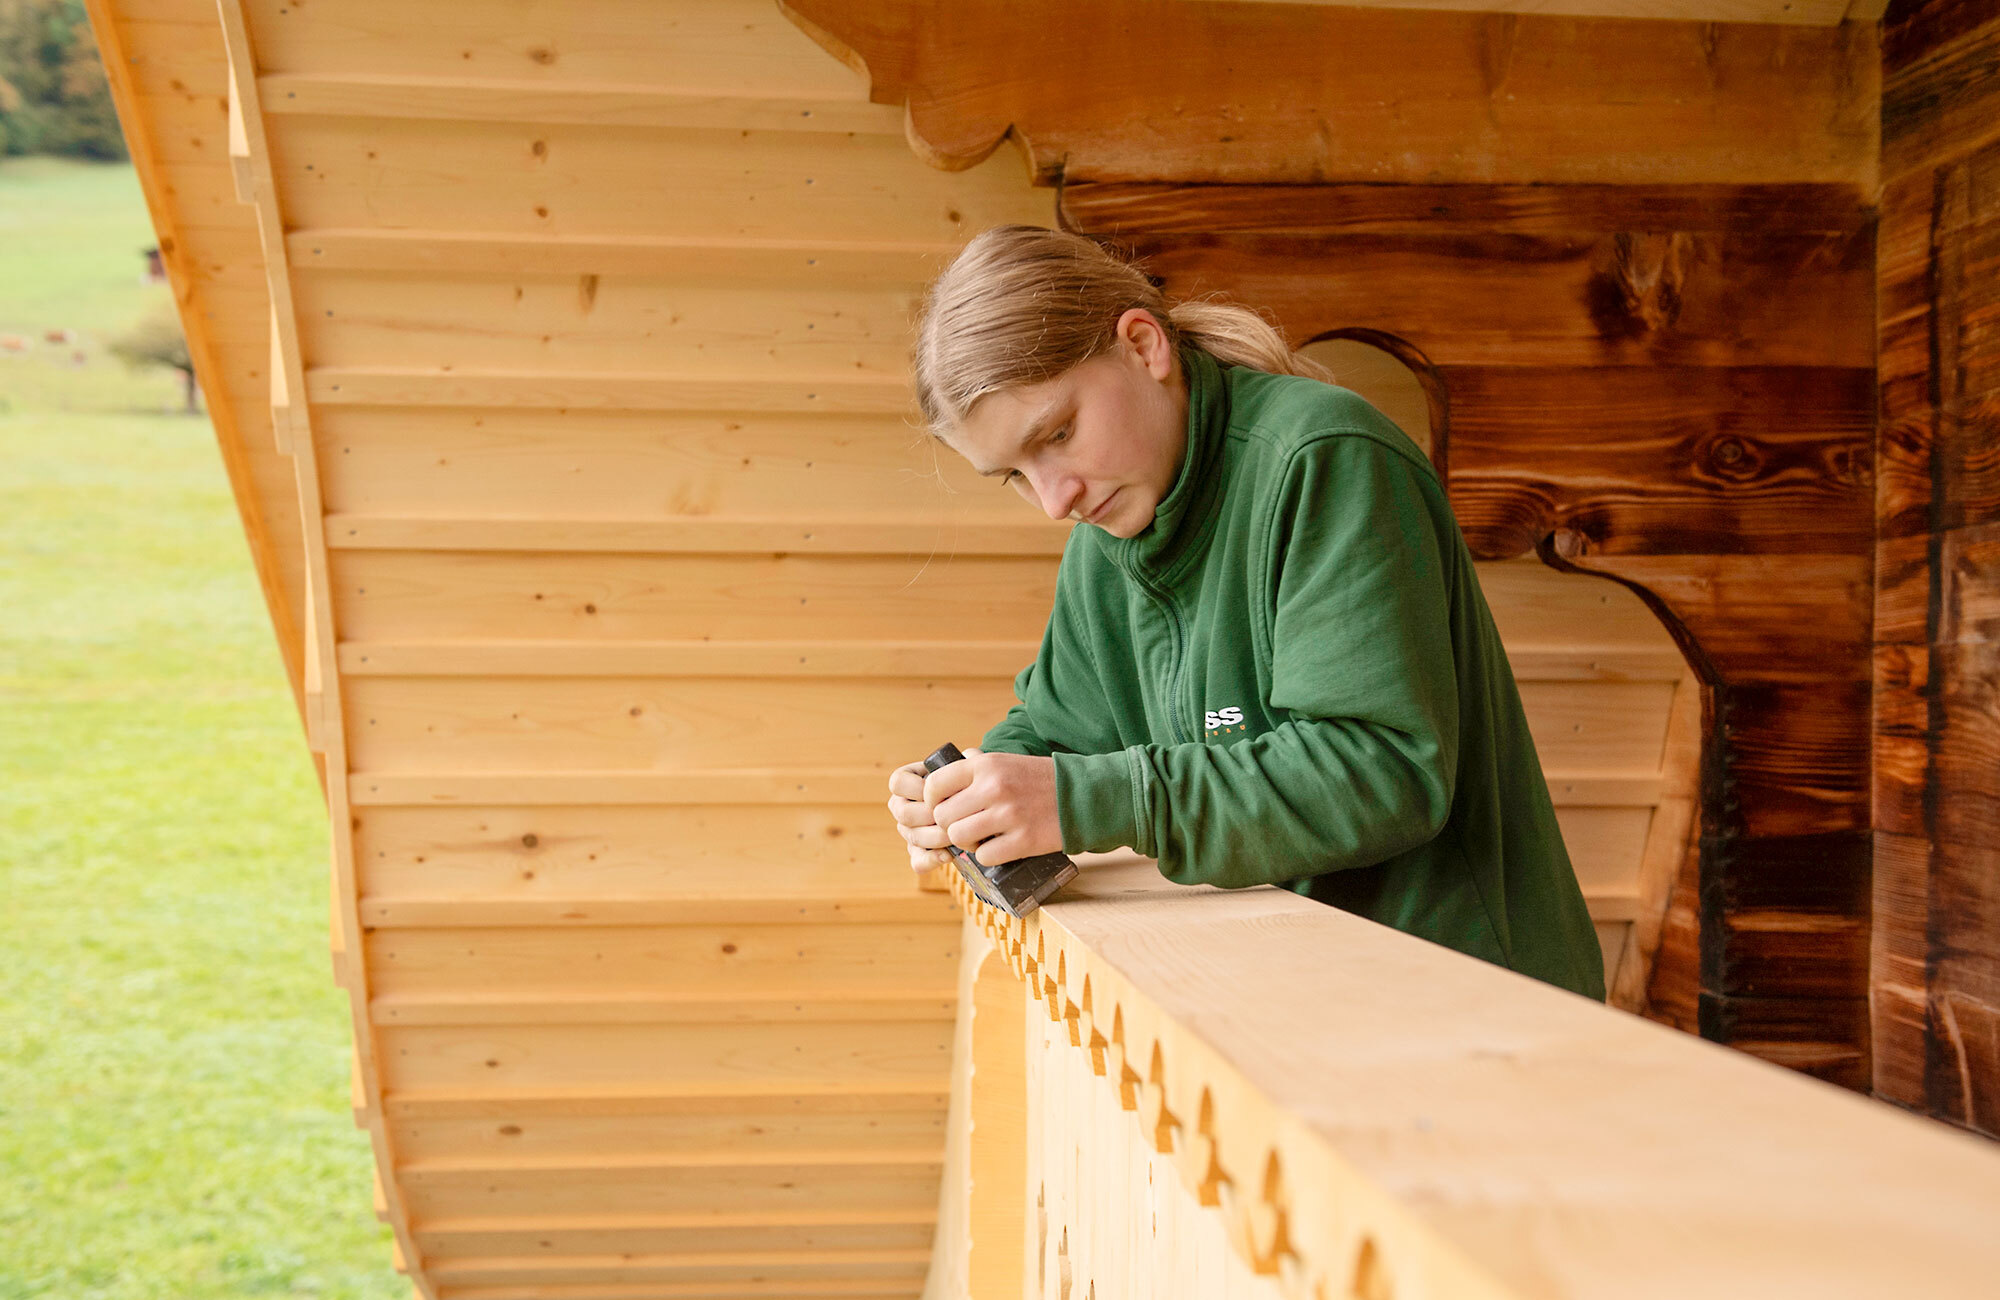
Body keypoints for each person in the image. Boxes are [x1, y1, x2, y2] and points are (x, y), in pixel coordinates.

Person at [883, 225, 1605, 1001]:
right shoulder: (1107, 540)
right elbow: (1061, 737)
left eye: (1058, 434)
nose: (1056, 500)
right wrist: (967, 801)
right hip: (1297, 995)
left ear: (1143, 345)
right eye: (1015, 476)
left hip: (1469, 1001)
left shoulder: (1324, 459)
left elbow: (1382, 770)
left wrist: (1090, 799)